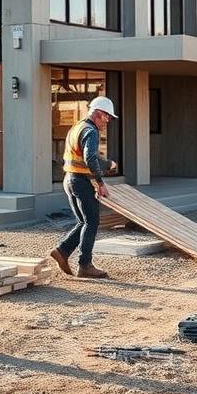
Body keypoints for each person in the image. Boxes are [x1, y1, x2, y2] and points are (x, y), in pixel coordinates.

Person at [49, 96, 119, 279]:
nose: (108, 121)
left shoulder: (77, 127)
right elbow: (90, 158)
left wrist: (104, 164)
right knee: (92, 222)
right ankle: (85, 265)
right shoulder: (91, 131)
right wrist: (102, 179)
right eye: (107, 116)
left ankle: (62, 251)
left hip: (70, 179)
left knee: (83, 221)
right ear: (98, 113)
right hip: (79, 181)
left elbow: (83, 157)